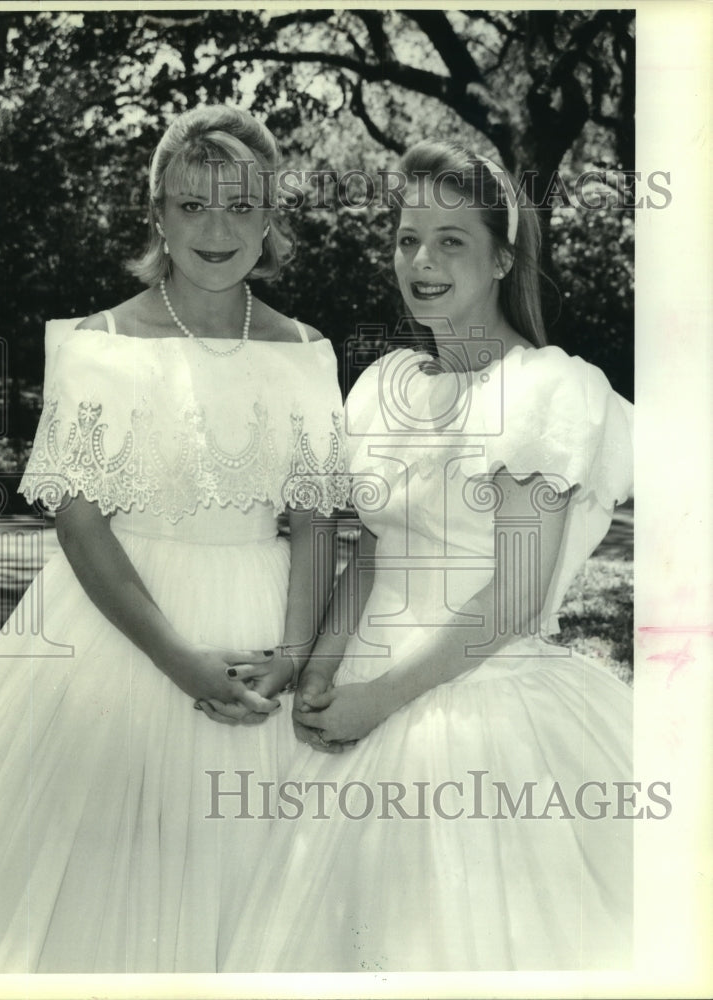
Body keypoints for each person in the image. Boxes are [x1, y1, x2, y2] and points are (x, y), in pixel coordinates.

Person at [221, 140, 635, 972]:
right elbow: (371, 551)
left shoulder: (546, 390)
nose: (422, 261)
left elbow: (514, 594)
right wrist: (321, 674)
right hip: (362, 685)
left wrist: (379, 701)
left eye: (451, 241)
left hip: (475, 699)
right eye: (407, 239)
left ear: (500, 258)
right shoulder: (382, 383)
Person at [0, 105, 348, 972]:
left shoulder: (307, 351)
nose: (216, 229)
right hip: (118, 637)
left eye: (239, 206)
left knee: (256, 898)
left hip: (264, 640)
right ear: (157, 213)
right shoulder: (96, 343)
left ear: (269, 216)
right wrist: (176, 656)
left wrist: (291, 654)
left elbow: (316, 517)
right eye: (191, 205)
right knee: (105, 891)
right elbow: (74, 515)